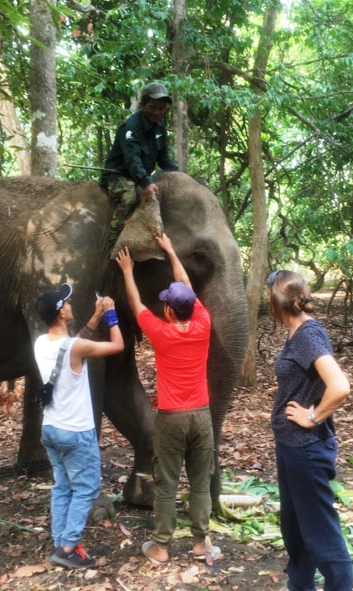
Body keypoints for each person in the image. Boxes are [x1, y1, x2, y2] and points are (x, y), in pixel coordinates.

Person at [115, 234, 220, 566]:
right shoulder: (203, 323)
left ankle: (160, 547)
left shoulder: (160, 332)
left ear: (169, 311)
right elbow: (184, 283)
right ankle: (202, 544)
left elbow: (136, 305)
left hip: (171, 417)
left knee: (167, 483)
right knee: (200, 482)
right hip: (201, 416)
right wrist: (172, 251)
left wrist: (128, 270)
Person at [267, 270, 353, 591]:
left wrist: (312, 416)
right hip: (291, 448)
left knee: (321, 535)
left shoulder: (306, 335)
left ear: (275, 303)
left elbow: (340, 387)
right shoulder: (296, 333)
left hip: (306, 449)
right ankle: (300, 586)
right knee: (295, 530)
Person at [34, 283, 124, 569]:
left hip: (51, 429)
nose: (71, 304)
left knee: (62, 487)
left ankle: (60, 541)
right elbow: (117, 345)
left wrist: (95, 317)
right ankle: (69, 547)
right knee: (86, 489)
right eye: (67, 302)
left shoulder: (40, 343)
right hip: (76, 432)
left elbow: (73, 345)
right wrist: (111, 316)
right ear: (61, 313)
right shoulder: (75, 347)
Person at [100, 82, 179, 245]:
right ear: (143, 104)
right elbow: (132, 159)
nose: (157, 112)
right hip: (119, 176)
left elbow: (164, 158)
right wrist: (146, 182)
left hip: (139, 177)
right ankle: (113, 242)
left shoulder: (159, 126)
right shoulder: (131, 127)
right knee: (130, 196)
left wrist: (178, 175)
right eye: (152, 107)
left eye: (161, 108)